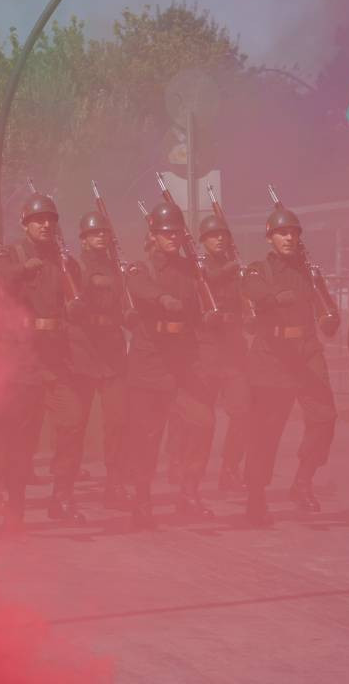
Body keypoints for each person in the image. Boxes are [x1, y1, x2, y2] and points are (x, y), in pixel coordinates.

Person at [0, 194, 87, 527]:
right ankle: (15, 504)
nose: (45, 225)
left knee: (73, 421)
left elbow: (76, 300)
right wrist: (22, 271)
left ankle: (61, 497)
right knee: (22, 436)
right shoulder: (11, 255)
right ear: (25, 224)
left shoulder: (64, 261)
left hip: (57, 358)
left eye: (50, 220)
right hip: (24, 358)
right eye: (38, 220)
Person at [242, 207, 338, 522]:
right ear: (270, 238)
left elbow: (327, 309)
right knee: (266, 431)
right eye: (282, 233)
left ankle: (302, 481)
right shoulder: (258, 270)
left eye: (294, 233)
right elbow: (256, 294)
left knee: (325, 417)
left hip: (306, 352)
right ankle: (256, 494)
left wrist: (330, 319)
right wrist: (274, 298)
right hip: (273, 355)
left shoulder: (309, 272)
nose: (289, 238)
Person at [124, 203, 217, 527]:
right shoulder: (141, 268)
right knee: (147, 437)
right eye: (166, 232)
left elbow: (204, 305)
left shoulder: (192, 270)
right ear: (153, 235)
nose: (172, 237)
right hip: (150, 362)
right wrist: (163, 299)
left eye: (176, 232)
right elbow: (139, 288)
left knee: (203, 423)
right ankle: (142, 499)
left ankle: (188, 492)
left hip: (183, 361)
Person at [70, 211, 131, 510]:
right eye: (94, 233)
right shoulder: (74, 266)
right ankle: (66, 486)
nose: (100, 237)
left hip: (113, 352)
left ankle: (115, 482)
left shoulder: (118, 267)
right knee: (75, 423)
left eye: (104, 233)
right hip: (83, 349)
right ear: (84, 239)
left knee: (117, 422)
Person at [194, 214, 253, 494]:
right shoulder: (198, 268)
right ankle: (189, 470)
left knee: (243, 412)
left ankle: (230, 468)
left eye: (223, 235)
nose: (219, 239)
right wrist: (231, 269)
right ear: (203, 241)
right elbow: (205, 284)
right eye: (212, 235)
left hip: (233, 351)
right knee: (200, 417)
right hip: (206, 350)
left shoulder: (236, 271)